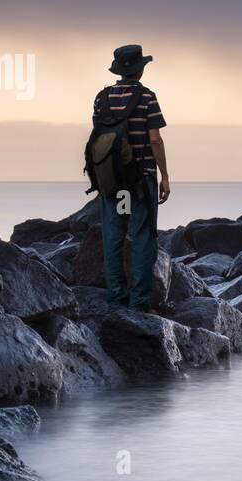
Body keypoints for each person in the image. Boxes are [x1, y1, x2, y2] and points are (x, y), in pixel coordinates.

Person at [96, 44, 170, 311]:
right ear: (139, 70)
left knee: (113, 237)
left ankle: (116, 298)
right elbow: (155, 139)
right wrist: (165, 176)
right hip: (141, 179)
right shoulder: (147, 98)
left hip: (112, 180)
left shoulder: (101, 98)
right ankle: (139, 302)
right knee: (142, 237)